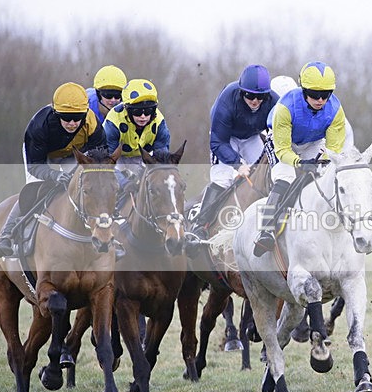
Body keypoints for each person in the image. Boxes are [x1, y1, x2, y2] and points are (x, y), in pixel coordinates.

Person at [0, 82, 106, 259]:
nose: (73, 123)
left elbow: (98, 159)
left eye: (78, 118)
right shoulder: (39, 126)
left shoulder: (93, 124)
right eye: (66, 118)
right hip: (42, 158)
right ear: (56, 113)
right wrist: (55, 175)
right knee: (34, 189)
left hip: (72, 154)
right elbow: (35, 166)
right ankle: (6, 235)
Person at [185, 65, 279, 256]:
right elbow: (217, 143)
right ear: (241, 91)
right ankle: (199, 226)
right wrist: (238, 164)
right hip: (225, 139)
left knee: (271, 174)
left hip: (252, 137)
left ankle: (271, 223)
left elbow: (278, 133)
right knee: (223, 179)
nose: (255, 101)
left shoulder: (275, 101)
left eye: (260, 97)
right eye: (250, 96)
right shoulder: (227, 100)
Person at [253, 61, 346, 256]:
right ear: (303, 90)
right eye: (314, 94)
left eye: (326, 94)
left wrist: (322, 160)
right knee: (285, 177)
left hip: (313, 142)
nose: (320, 100)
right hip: (282, 143)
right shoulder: (286, 107)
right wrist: (300, 163)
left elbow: (334, 148)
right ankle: (266, 229)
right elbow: (284, 149)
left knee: (324, 175)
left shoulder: (336, 109)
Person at [103, 78, 170, 178]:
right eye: (137, 112)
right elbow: (108, 164)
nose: (143, 116)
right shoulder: (113, 123)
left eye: (148, 111)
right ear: (127, 110)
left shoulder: (160, 123)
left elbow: (161, 160)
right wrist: (124, 183)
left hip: (142, 157)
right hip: (117, 158)